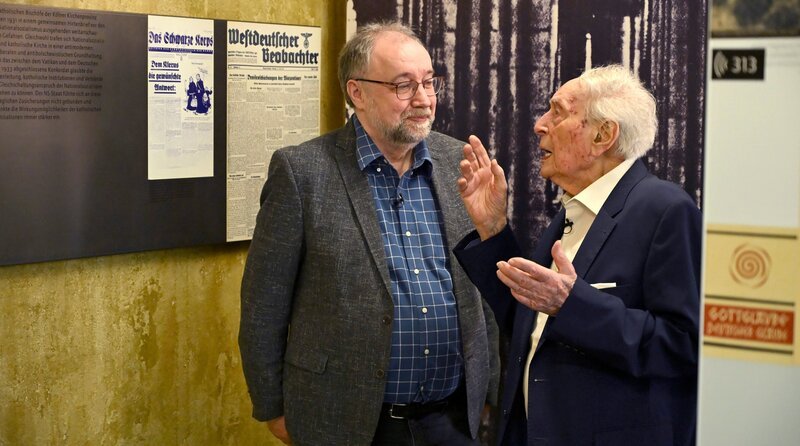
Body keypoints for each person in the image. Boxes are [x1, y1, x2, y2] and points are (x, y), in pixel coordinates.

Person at [239, 21, 499, 446]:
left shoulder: (460, 162)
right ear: (357, 92)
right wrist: (273, 408)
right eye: (403, 86)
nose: (424, 100)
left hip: (451, 421)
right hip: (344, 421)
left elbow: (482, 289)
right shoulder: (303, 173)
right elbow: (263, 307)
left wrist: (488, 390)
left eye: (429, 83)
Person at [453, 65, 701, 446]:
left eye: (558, 111)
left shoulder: (666, 210)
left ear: (604, 135)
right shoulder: (572, 213)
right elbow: (530, 324)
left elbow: (682, 345)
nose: (539, 124)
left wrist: (573, 305)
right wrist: (493, 230)